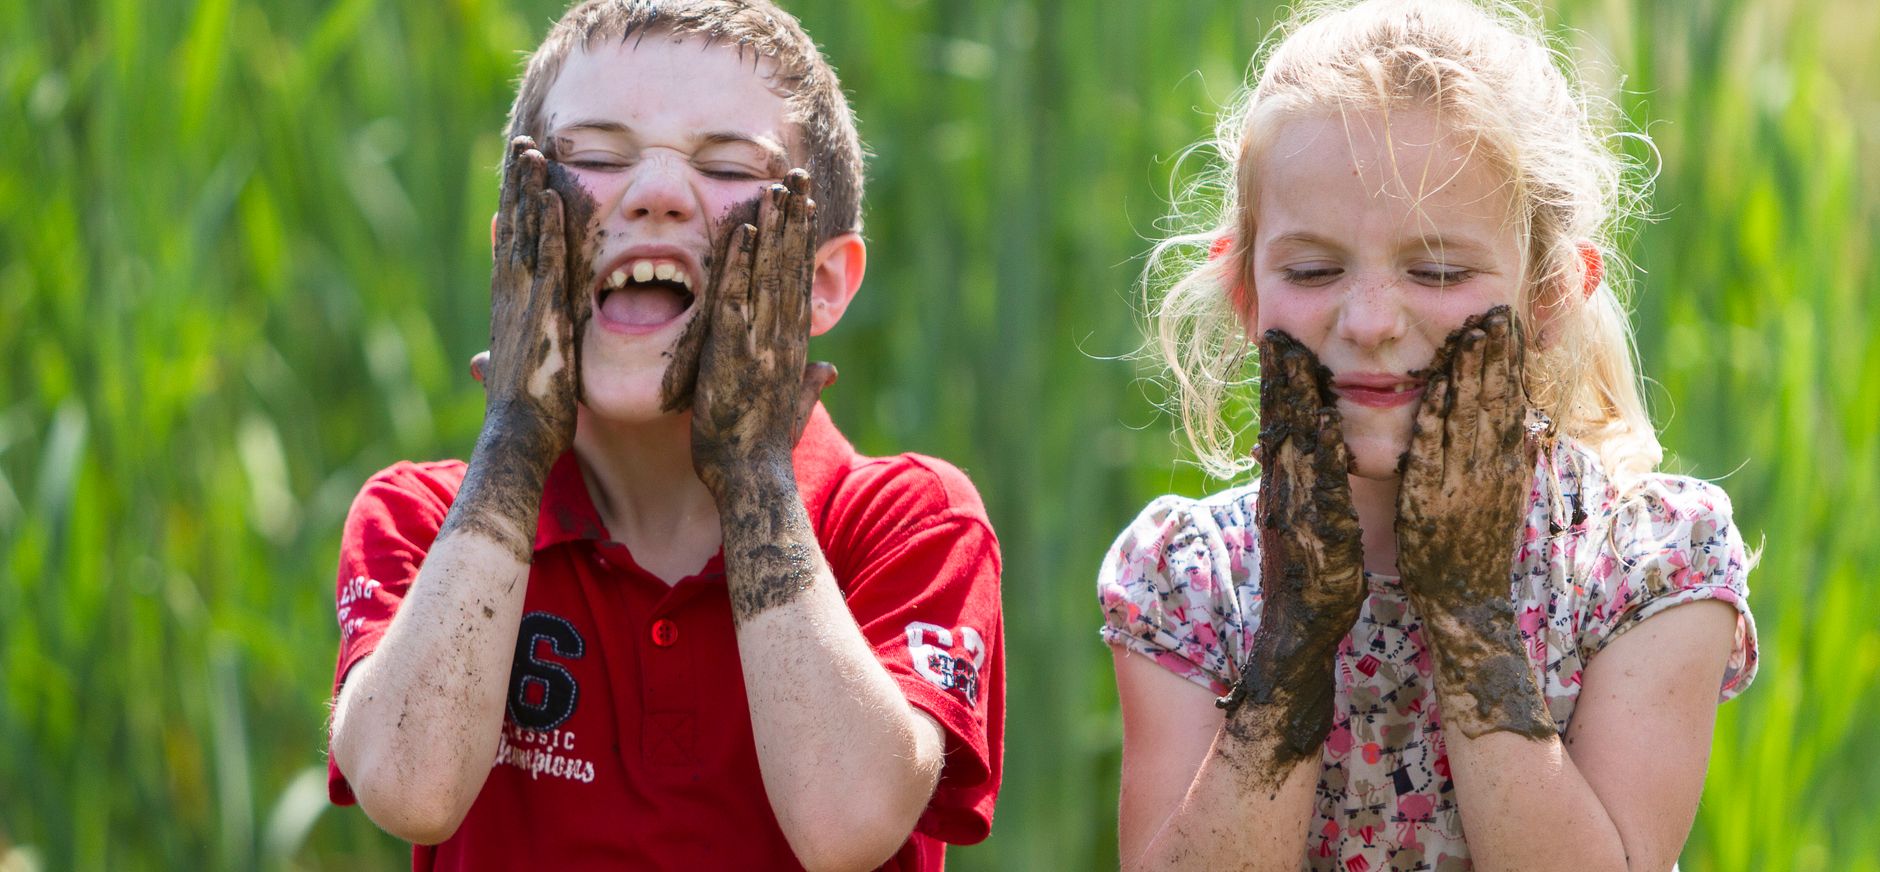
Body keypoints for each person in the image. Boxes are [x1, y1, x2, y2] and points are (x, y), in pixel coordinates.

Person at [324, 2, 1004, 869]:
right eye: (598, 156)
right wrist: (516, 441)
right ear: (515, 253)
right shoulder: (421, 521)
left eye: (725, 164)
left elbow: (849, 824)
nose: (654, 194)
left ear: (824, 281)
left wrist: (754, 467)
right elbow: (410, 787)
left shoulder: (909, 520)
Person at [1098, 1, 1757, 869]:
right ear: (1246, 293)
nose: (1370, 320)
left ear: (1552, 294)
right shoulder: (1194, 576)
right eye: (1314, 269)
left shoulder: (1646, 563)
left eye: (1437, 271)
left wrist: (1470, 616)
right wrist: (1291, 646)